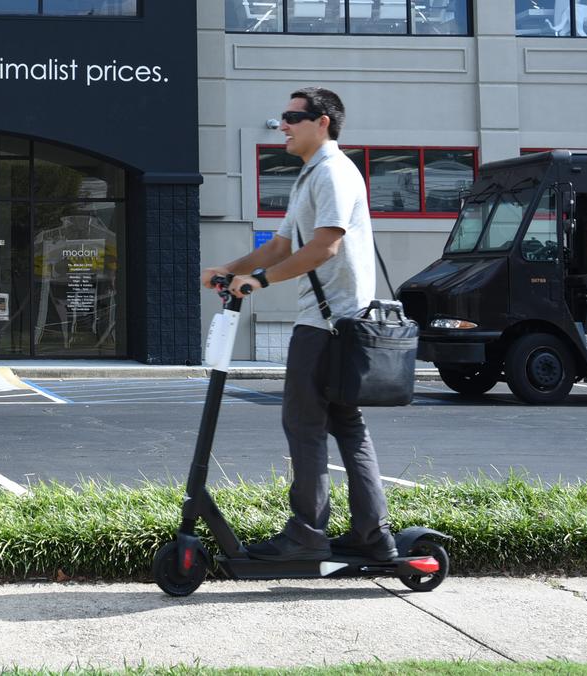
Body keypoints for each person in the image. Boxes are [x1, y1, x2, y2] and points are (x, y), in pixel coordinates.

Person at [199, 87, 398, 562]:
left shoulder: (332, 172)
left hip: (329, 324)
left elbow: (325, 245)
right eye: (283, 117)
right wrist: (230, 269)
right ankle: (372, 535)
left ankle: (307, 535)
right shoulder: (311, 174)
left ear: (322, 121)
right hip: (336, 322)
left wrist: (260, 281)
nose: (283, 125)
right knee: (345, 423)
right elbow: (281, 246)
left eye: (292, 116)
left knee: (304, 423)